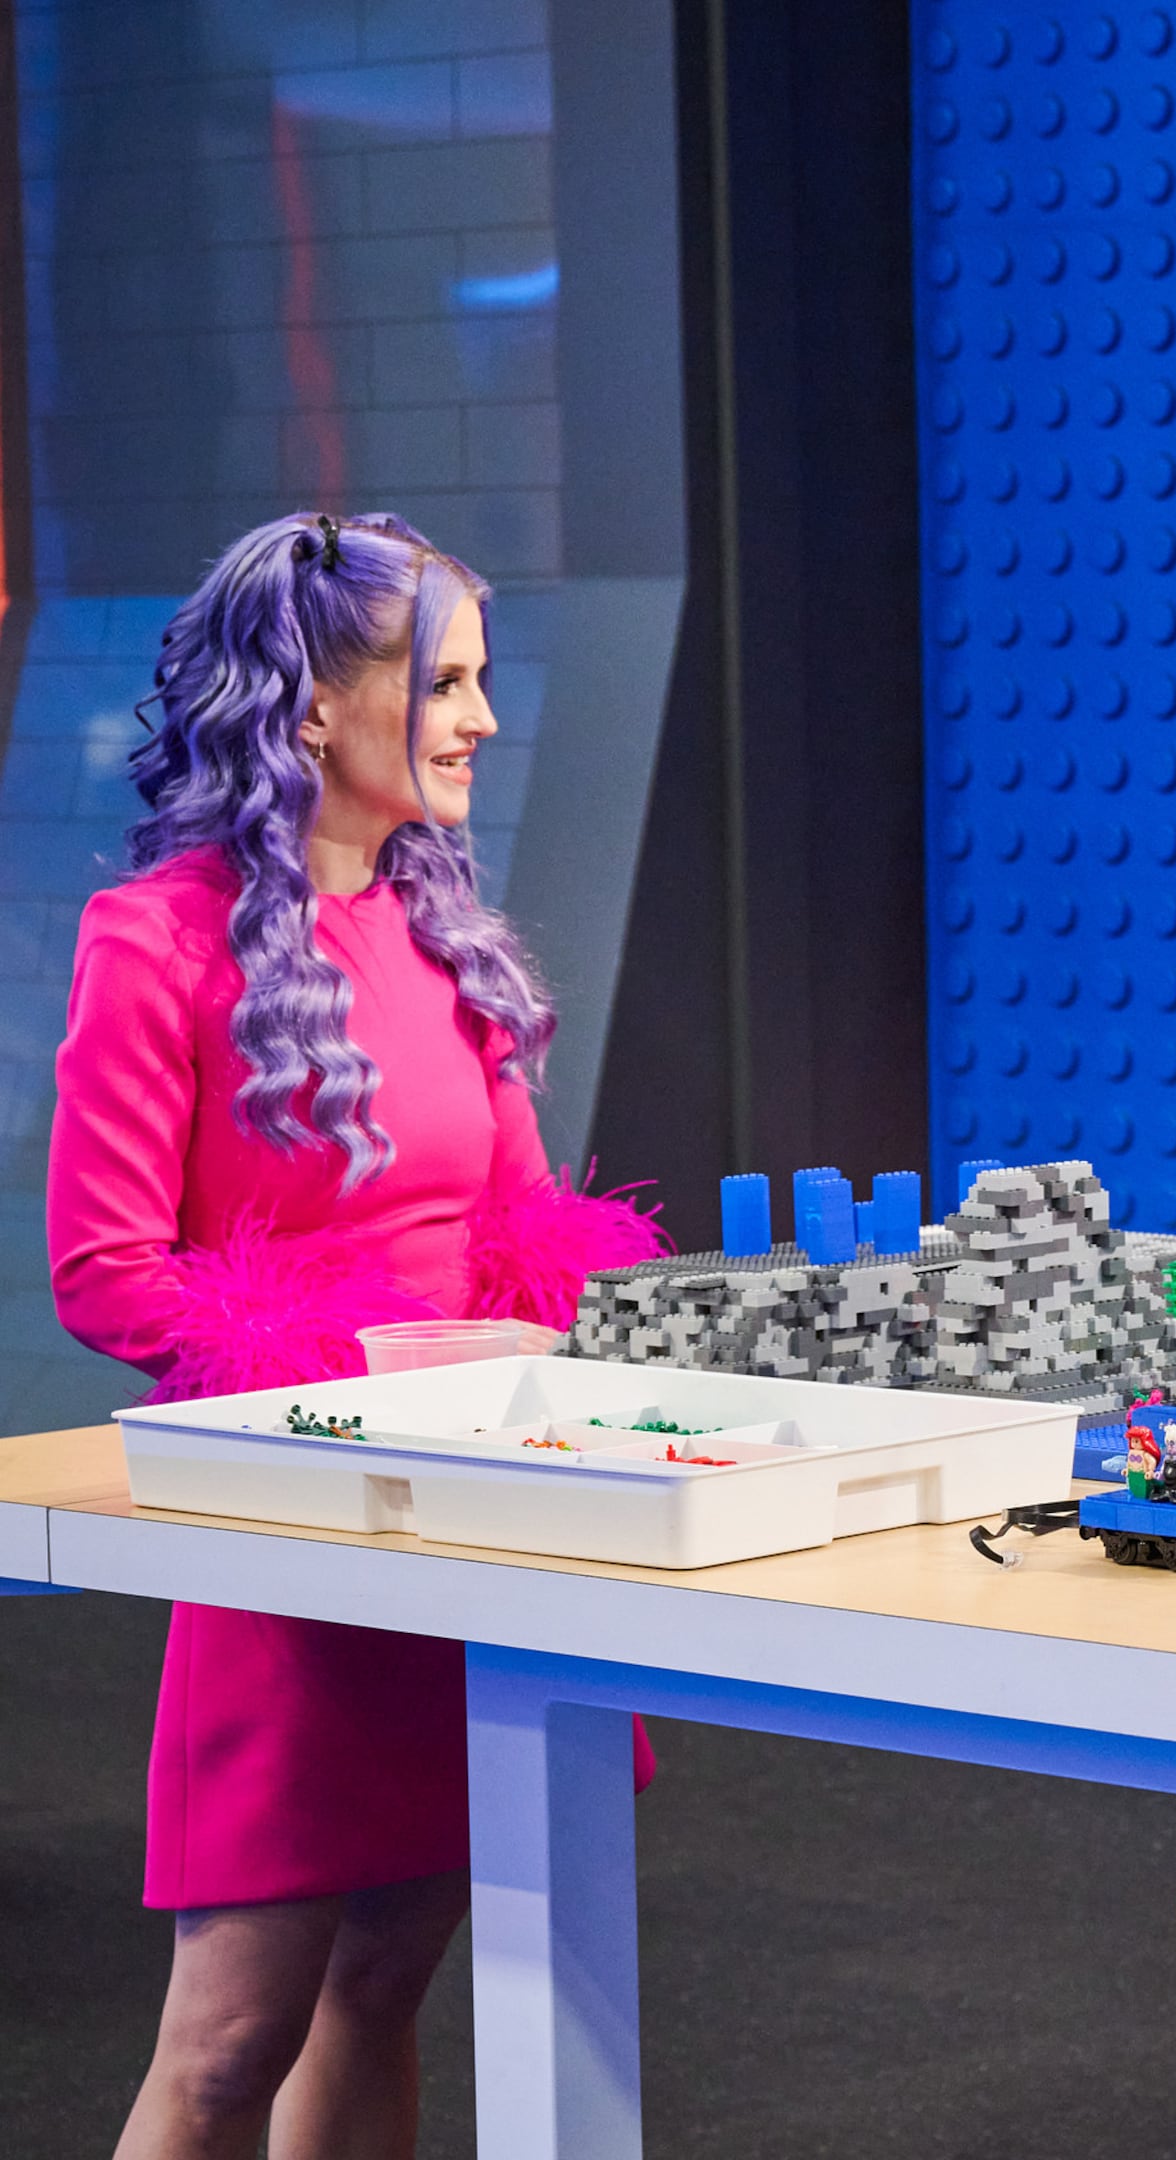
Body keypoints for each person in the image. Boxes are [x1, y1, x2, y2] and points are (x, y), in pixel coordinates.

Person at [51, 512, 661, 2160]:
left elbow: (528, 1244)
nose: (476, 719)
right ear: (318, 705)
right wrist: (374, 1364)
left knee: (384, 1987)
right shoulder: (155, 942)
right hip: (295, 1548)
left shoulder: (449, 937)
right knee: (229, 2038)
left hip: (475, 1533)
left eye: (480, 680)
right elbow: (107, 1273)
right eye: (444, 682)